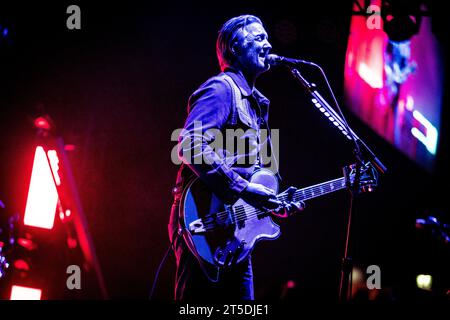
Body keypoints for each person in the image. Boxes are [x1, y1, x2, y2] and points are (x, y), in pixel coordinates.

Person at [168, 14, 303, 301]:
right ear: (234, 48)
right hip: (204, 224)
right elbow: (190, 145)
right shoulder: (221, 89)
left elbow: (257, 174)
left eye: (267, 37)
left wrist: (272, 203)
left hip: (236, 237)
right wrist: (243, 189)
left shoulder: (257, 105)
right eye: (258, 38)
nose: (268, 44)